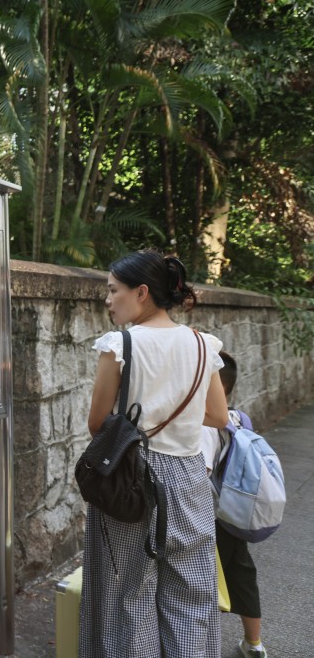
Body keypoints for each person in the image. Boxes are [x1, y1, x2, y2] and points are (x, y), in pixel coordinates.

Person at [79, 249, 228, 657]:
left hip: (131, 480)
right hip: (189, 479)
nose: (108, 300)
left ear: (141, 292)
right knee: (191, 594)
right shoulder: (203, 344)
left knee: (125, 594)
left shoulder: (120, 344)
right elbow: (217, 416)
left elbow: (98, 426)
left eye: (113, 290)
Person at [200, 352, 268, 658]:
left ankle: (196, 644)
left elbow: (201, 475)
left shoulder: (204, 424)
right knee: (241, 574)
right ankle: (253, 643)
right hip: (236, 512)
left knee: (202, 580)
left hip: (209, 515)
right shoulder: (240, 418)